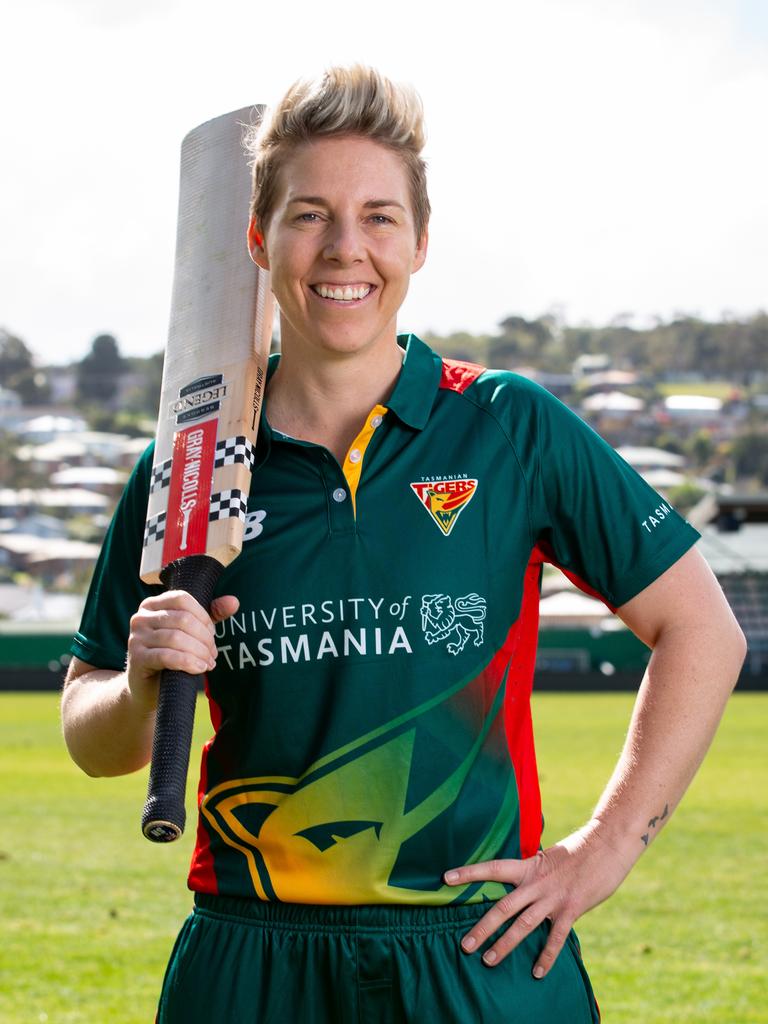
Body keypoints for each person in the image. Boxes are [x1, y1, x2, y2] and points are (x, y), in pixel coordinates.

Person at [61, 65, 746, 1023]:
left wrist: (604, 849)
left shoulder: (506, 426)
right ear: (257, 238)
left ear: (421, 242)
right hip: (253, 958)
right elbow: (92, 735)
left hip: (473, 950)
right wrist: (138, 685)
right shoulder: (189, 460)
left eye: (379, 216)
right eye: (309, 215)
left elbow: (703, 630)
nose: (346, 248)